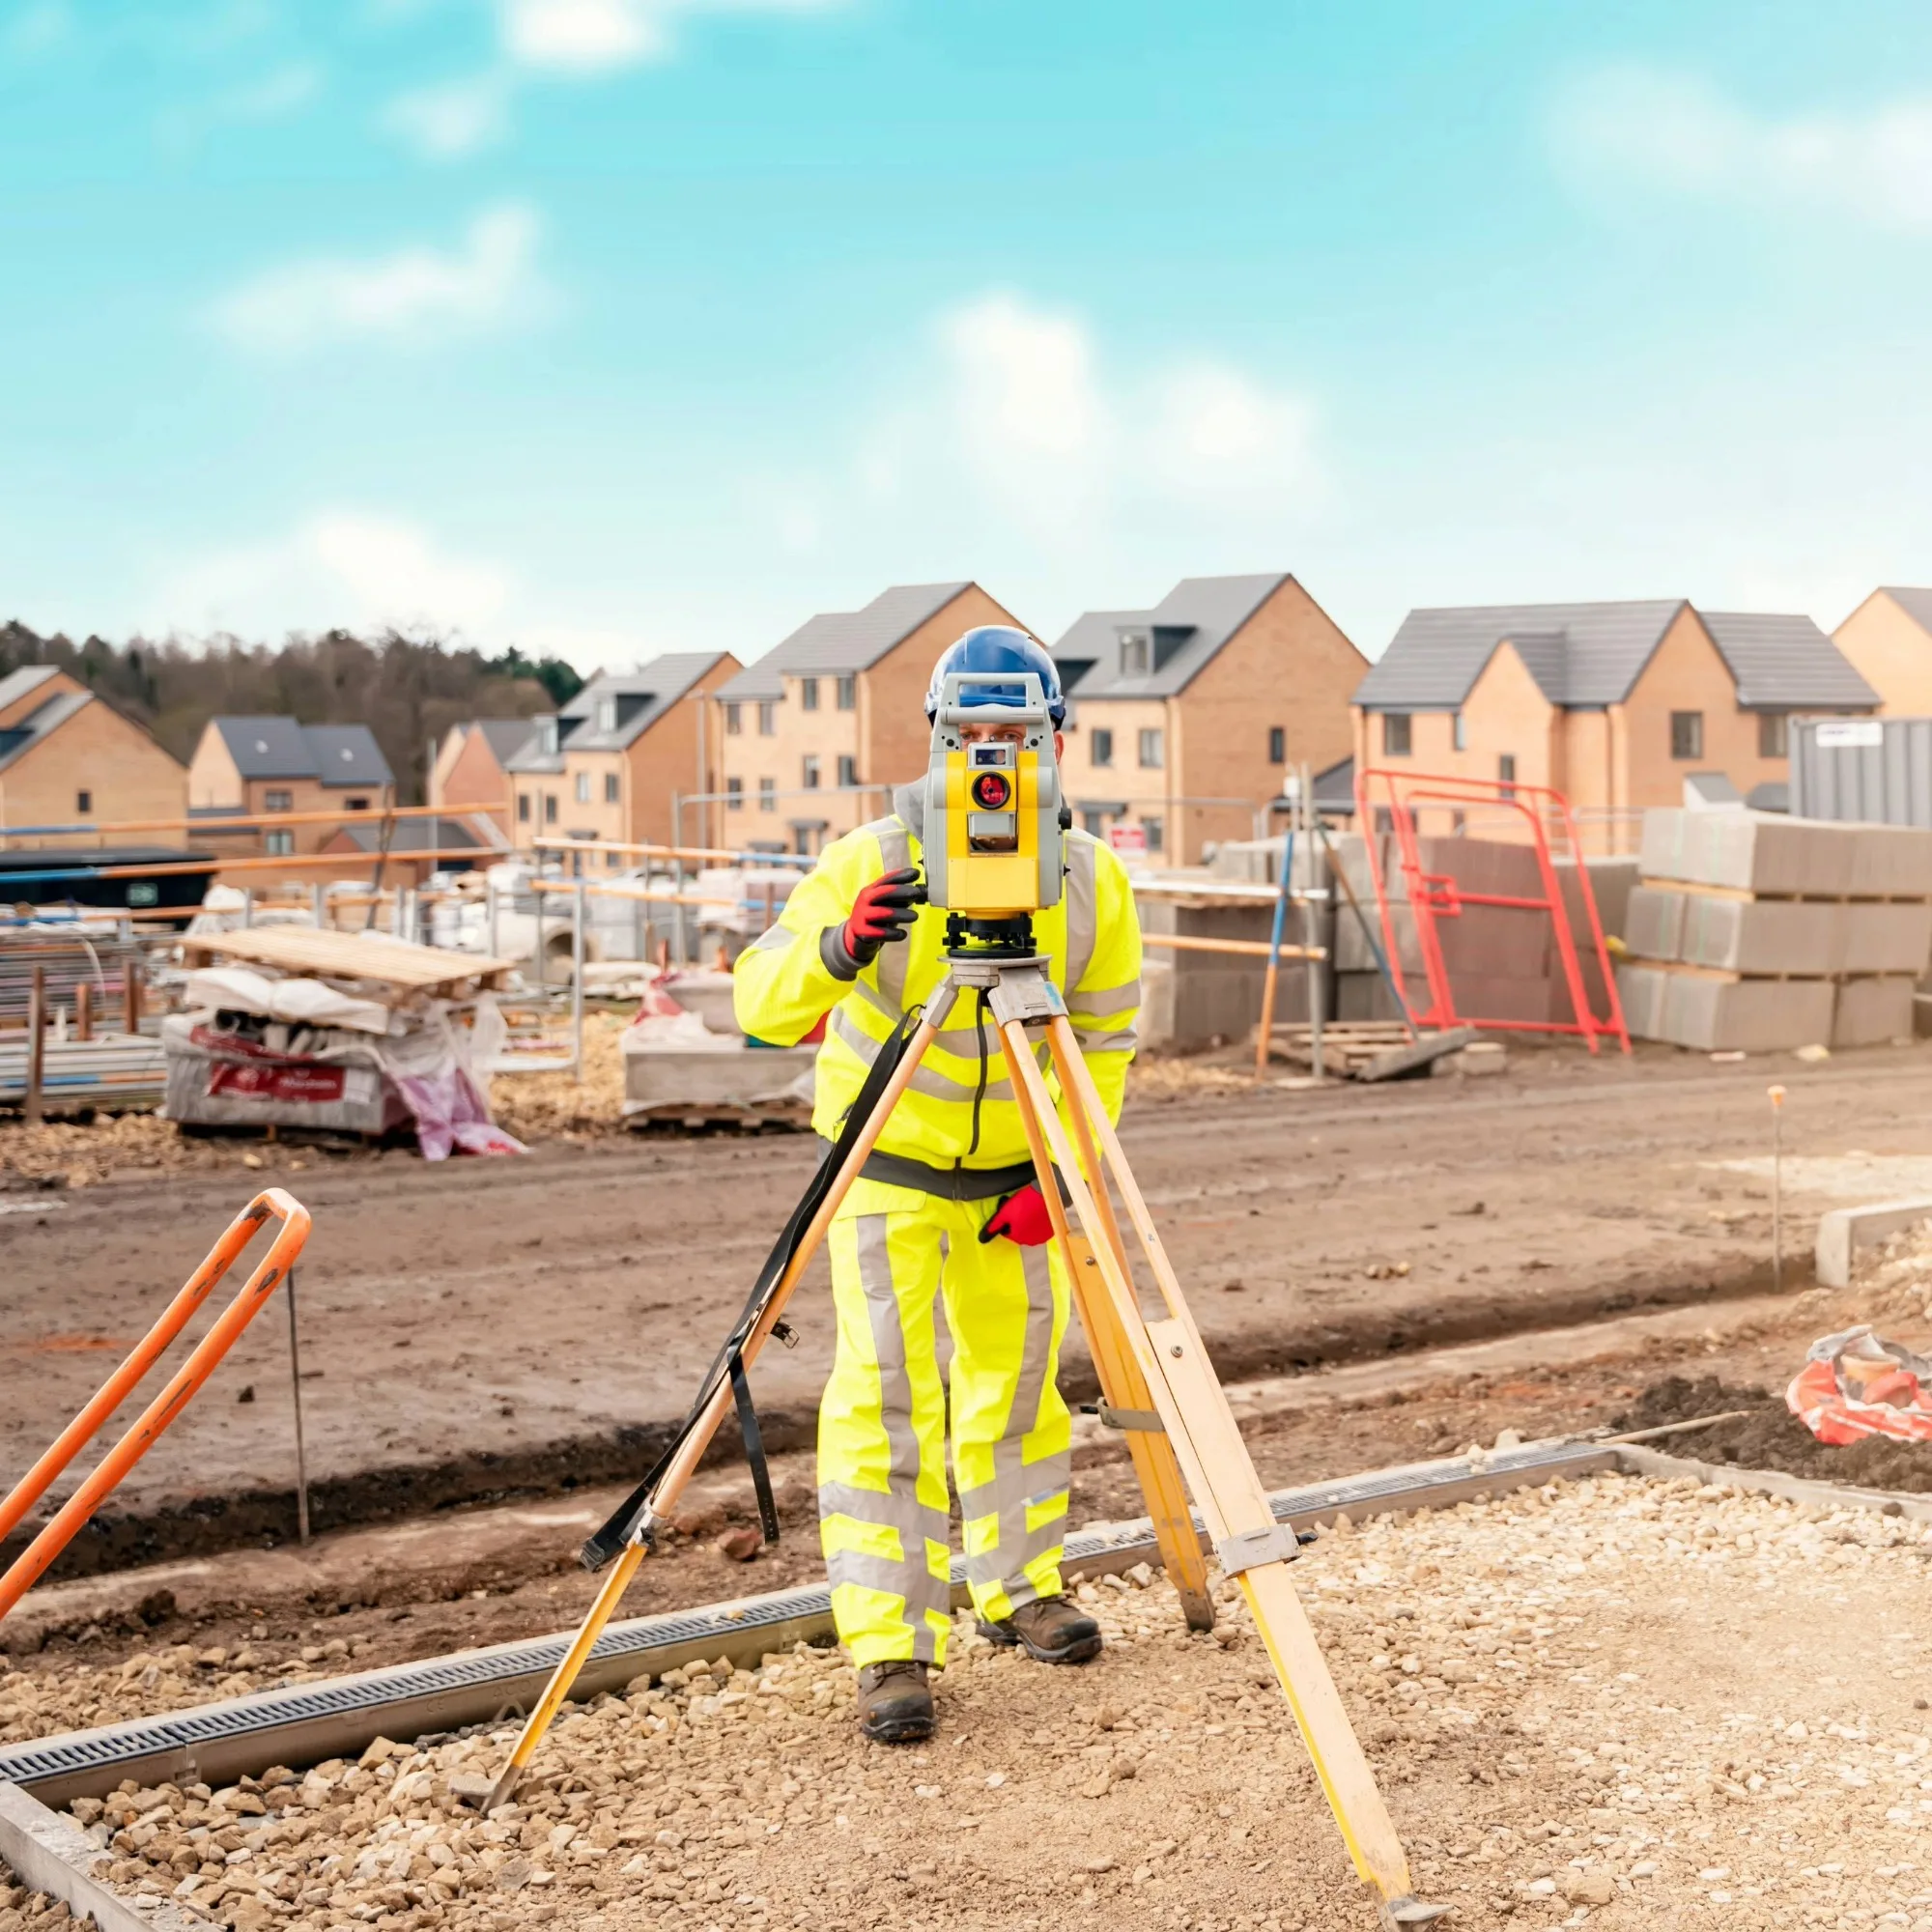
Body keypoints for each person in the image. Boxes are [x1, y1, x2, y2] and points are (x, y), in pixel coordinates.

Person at [732, 626, 1144, 1743]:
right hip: (890, 1170)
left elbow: (1101, 1041)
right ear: (938, 737)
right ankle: (890, 1641)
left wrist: (1060, 1171)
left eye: (1019, 731)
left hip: (1014, 1181)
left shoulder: (1090, 879)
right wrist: (837, 949)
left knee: (1015, 1388)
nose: (996, 753)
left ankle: (1021, 1587)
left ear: (1058, 737)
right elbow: (757, 1002)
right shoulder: (872, 859)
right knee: (885, 1397)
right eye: (975, 733)